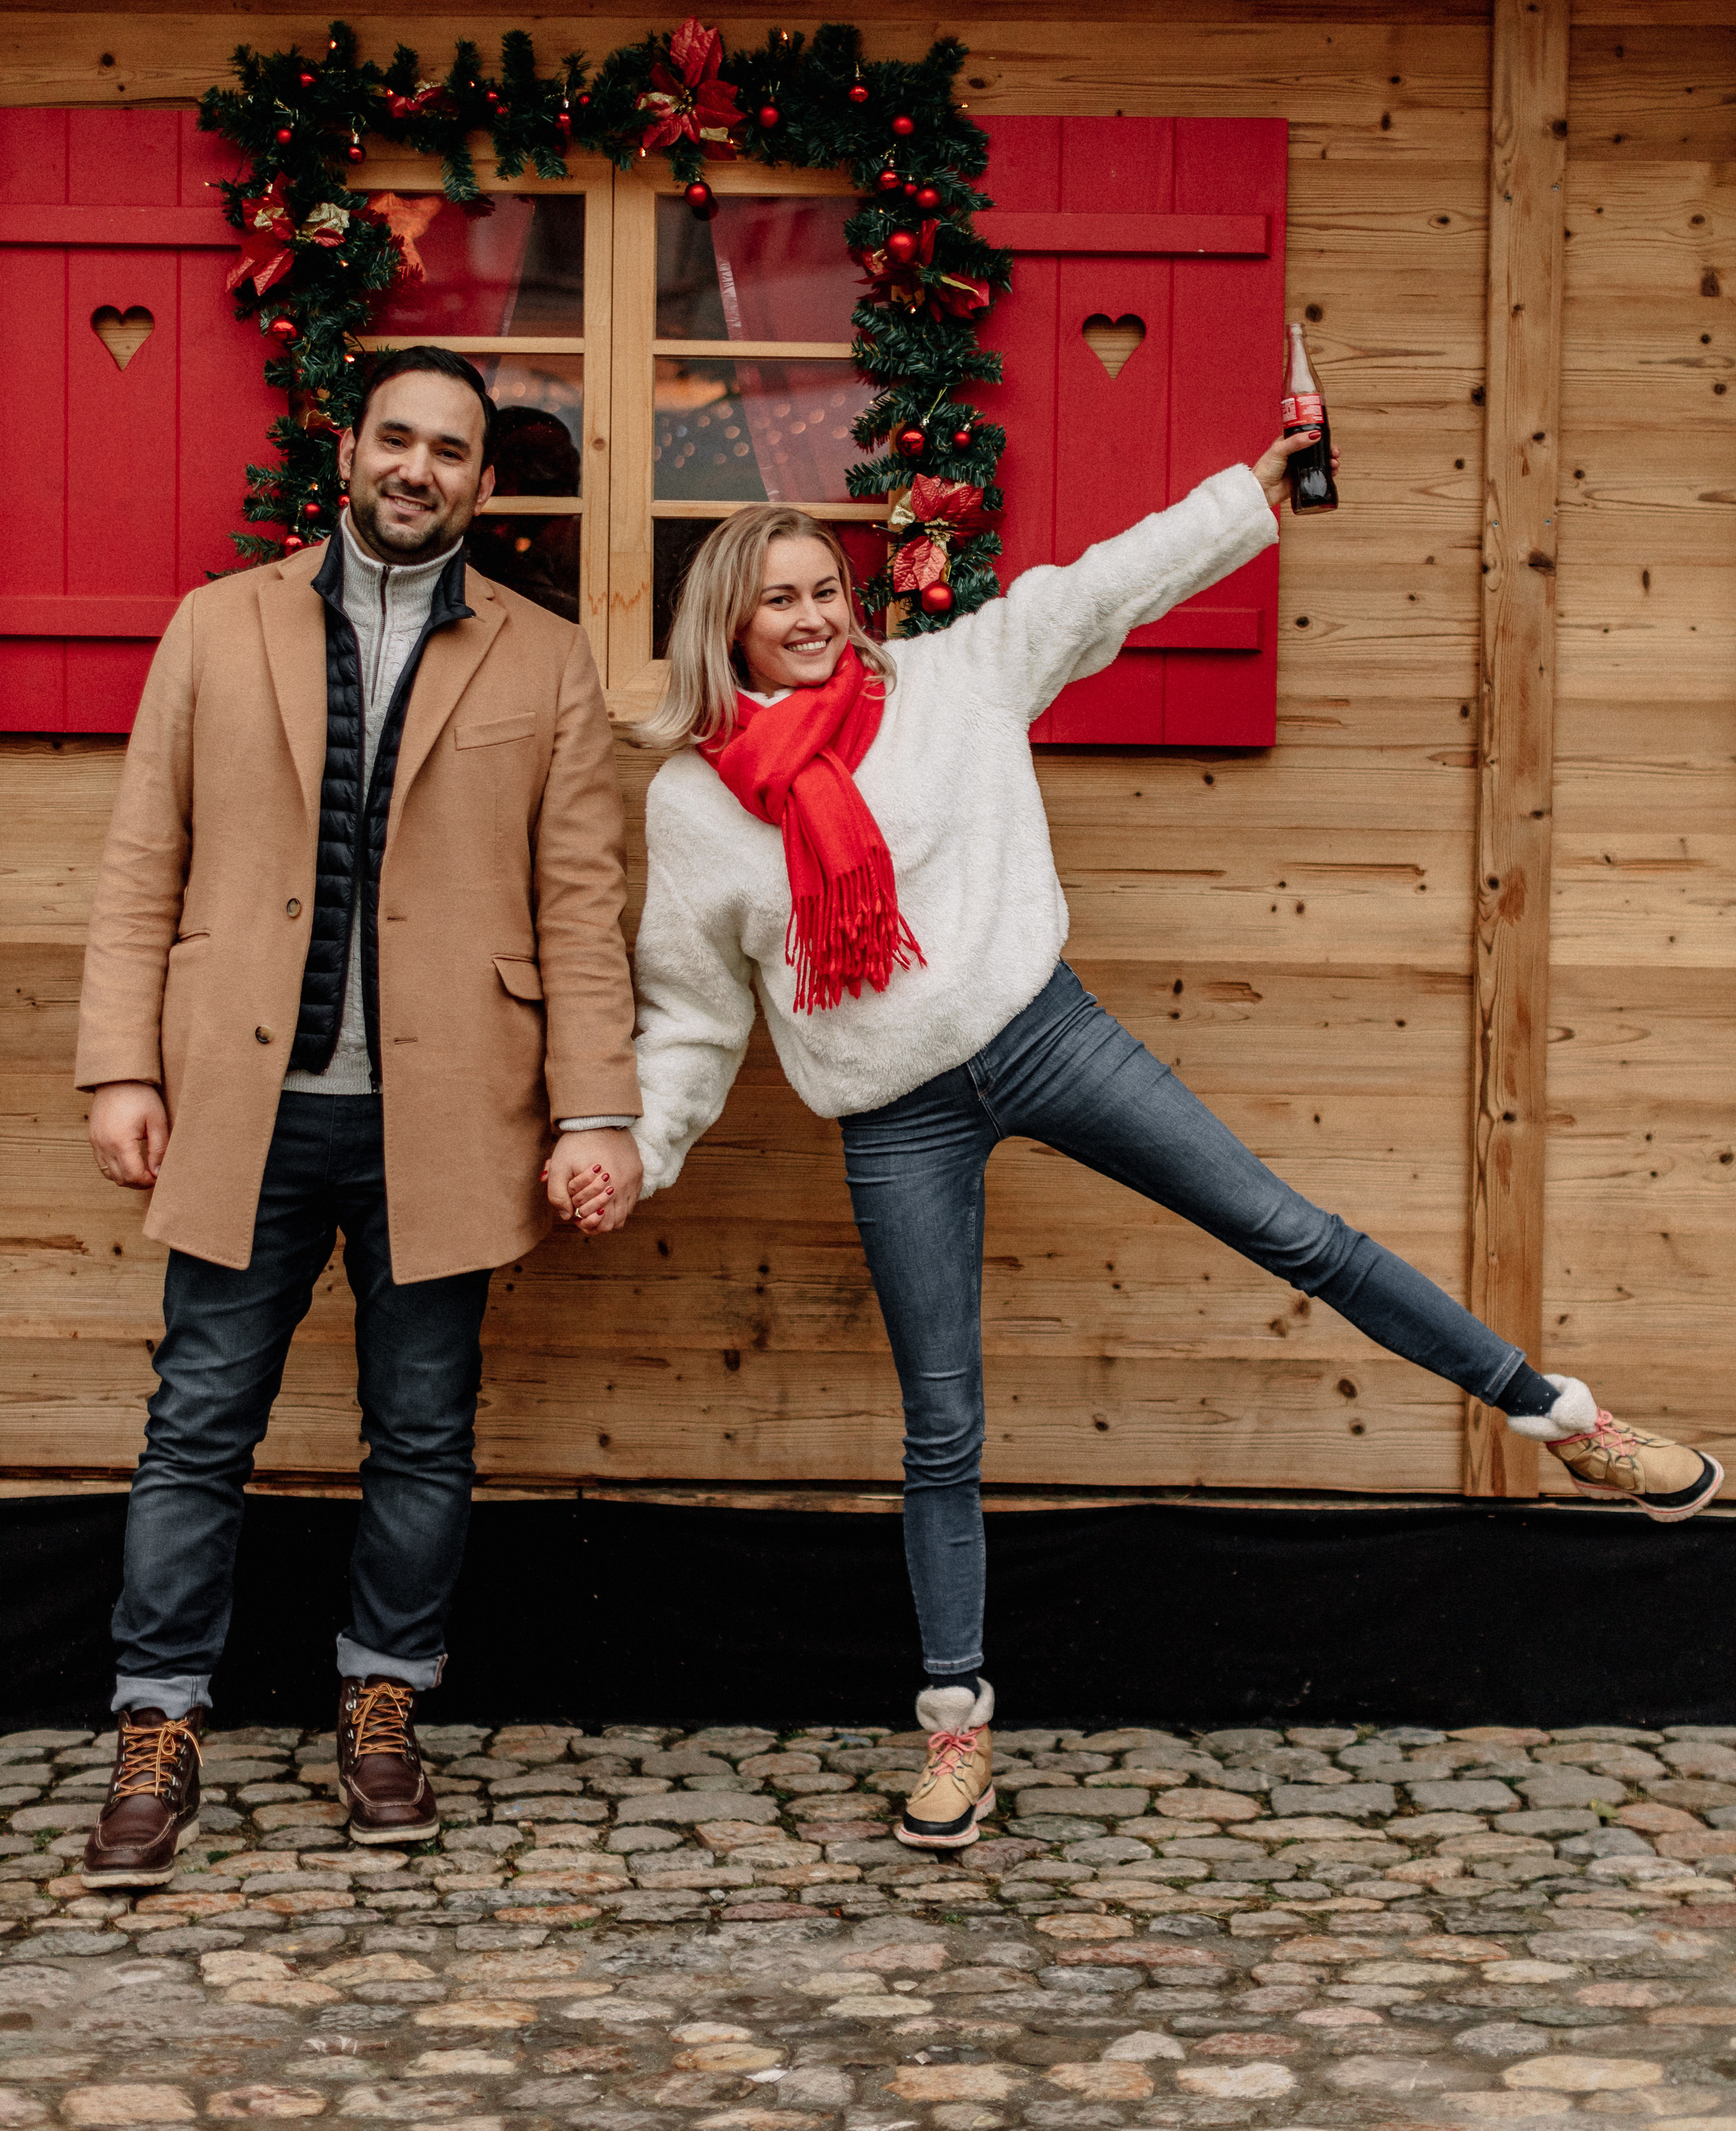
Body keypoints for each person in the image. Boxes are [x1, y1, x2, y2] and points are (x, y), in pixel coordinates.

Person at [604, 431, 1723, 1853]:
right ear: (728, 622)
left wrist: (1253, 491)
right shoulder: (696, 801)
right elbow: (693, 1016)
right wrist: (639, 1149)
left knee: (1287, 1230)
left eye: (828, 587)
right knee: (941, 1426)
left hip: (1043, 1032)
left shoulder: (948, 679)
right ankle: (954, 1729)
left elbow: (1101, 587)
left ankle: (1563, 1420)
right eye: (781, 599)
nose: (815, 615)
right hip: (892, 1114)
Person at [75, 344, 642, 1888]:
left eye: (450, 450)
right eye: (397, 438)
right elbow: (141, 859)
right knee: (197, 1424)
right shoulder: (216, 626)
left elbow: (582, 907)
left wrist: (595, 1108)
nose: (418, 468)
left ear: (483, 481)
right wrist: (122, 1067)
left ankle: (383, 1704)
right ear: (348, 451)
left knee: (425, 1432)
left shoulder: (546, 659)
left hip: (446, 1113)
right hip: (241, 1104)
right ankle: (157, 1722)